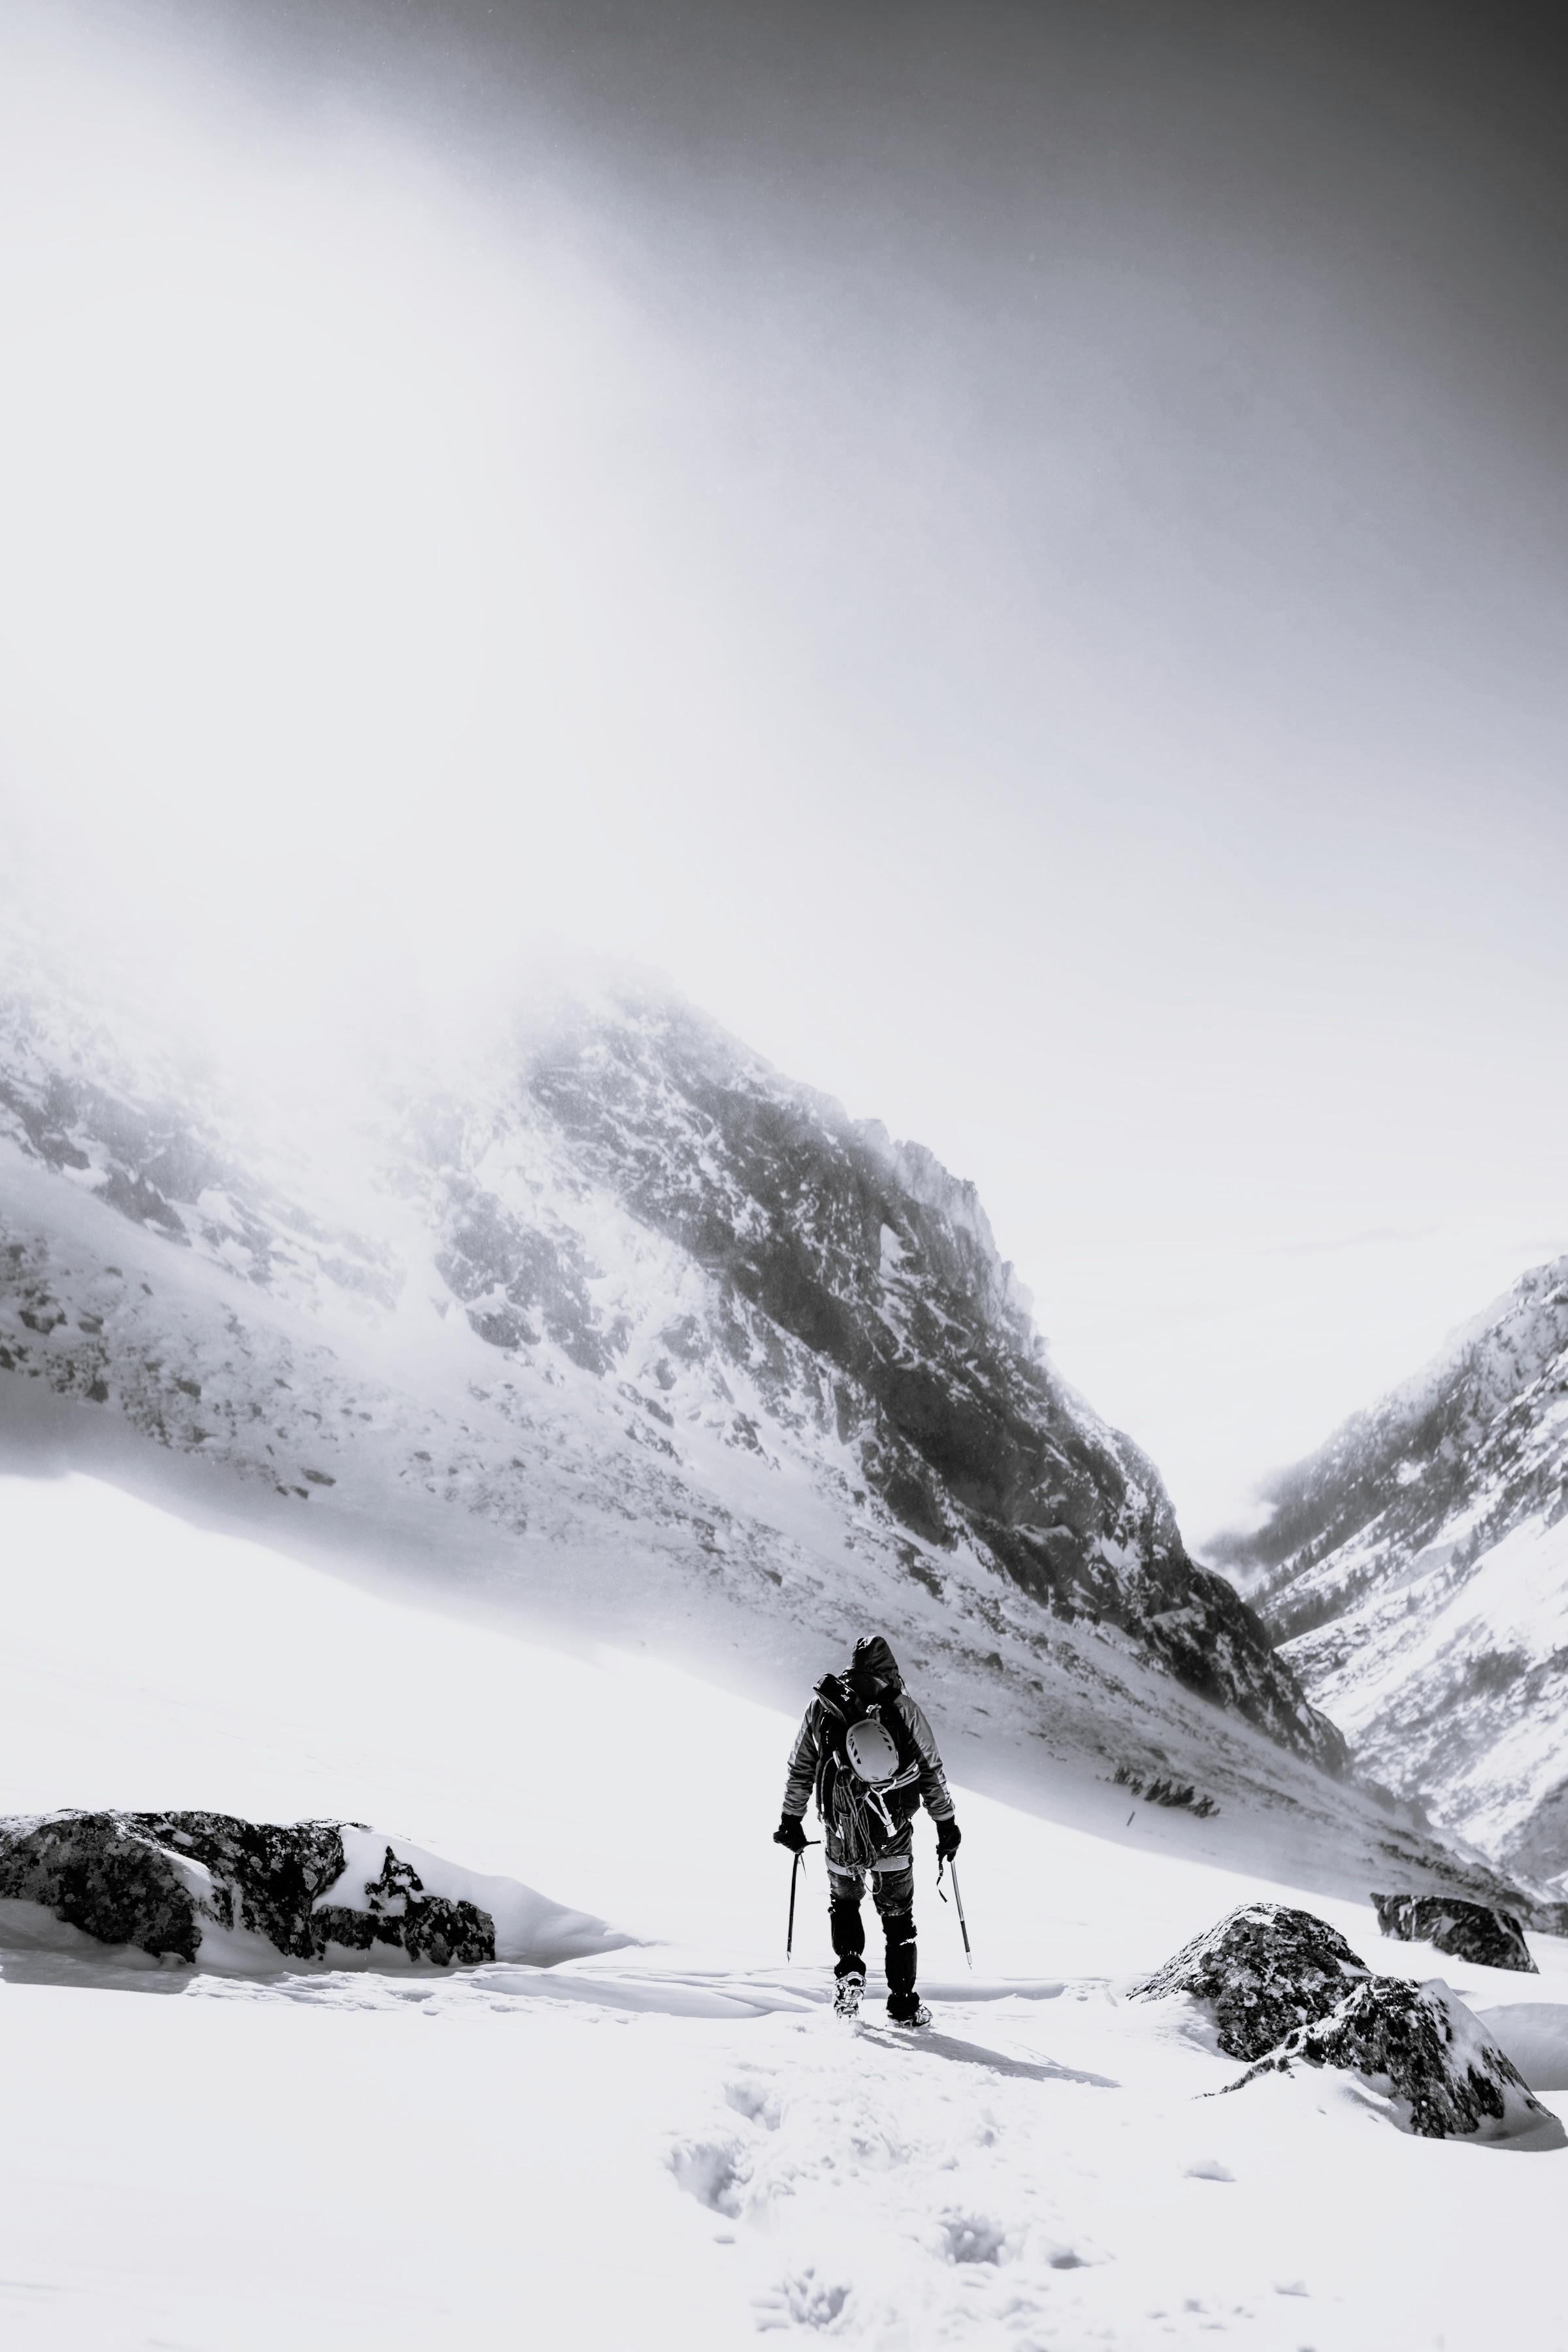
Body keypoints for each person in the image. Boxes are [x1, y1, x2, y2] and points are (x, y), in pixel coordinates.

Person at [774, 1632, 960, 2026]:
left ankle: (850, 1974)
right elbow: (931, 1772)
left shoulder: (822, 1706)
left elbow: (801, 1768)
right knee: (898, 1919)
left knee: (844, 1904)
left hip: (840, 1832)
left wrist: (791, 1819)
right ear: (889, 1670)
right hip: (892, 1831)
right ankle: (903, 2005)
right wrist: (947, 1825)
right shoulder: (902, 1708)